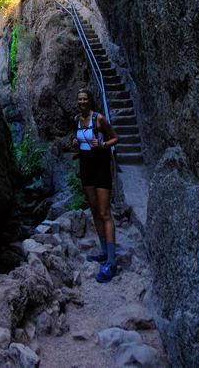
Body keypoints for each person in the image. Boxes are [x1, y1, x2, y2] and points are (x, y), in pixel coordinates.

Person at [72, 88, 119, 282]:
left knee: (104, 213)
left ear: (90, 101)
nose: (82, 102)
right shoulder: (76, 120)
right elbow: (78, 139)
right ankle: (103, 251)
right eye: (79, 99)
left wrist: (103, 145)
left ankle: (112, 261)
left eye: (85, 99)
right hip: (86, 168)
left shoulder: (98, 119)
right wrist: (75, 141)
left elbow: (116, 137)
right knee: (93, 210)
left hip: (100, 167)